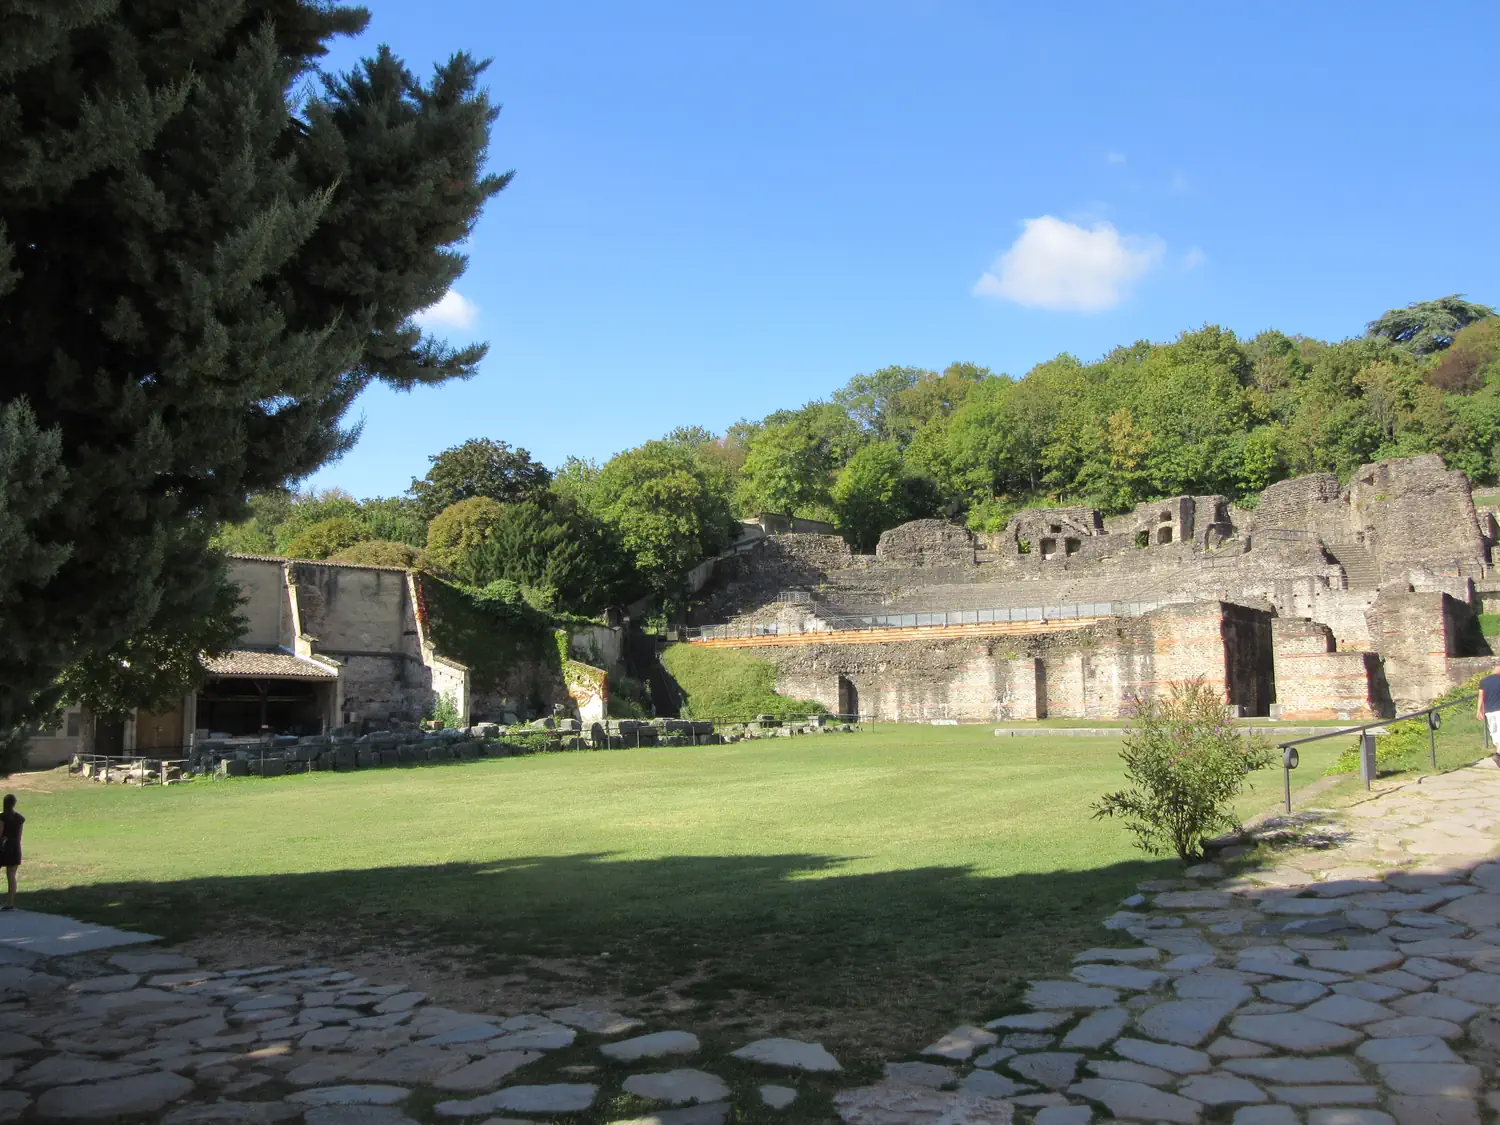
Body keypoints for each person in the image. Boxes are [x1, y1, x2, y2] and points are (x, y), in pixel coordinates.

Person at [0, 794, 20, 911]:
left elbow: (0, 832)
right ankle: (10, 902)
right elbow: (19, 836)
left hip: (4, 846)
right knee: (11, 875)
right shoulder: (19, 818)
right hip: (15, 846)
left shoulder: (2, 817)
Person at [1478, 666, 1500, 760]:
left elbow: (1480, 697)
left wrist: (1479, 711)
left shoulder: (1483, 681)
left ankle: (1498, 753)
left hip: (1489, 711)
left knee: (1494, 732)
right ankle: (1498, 754)